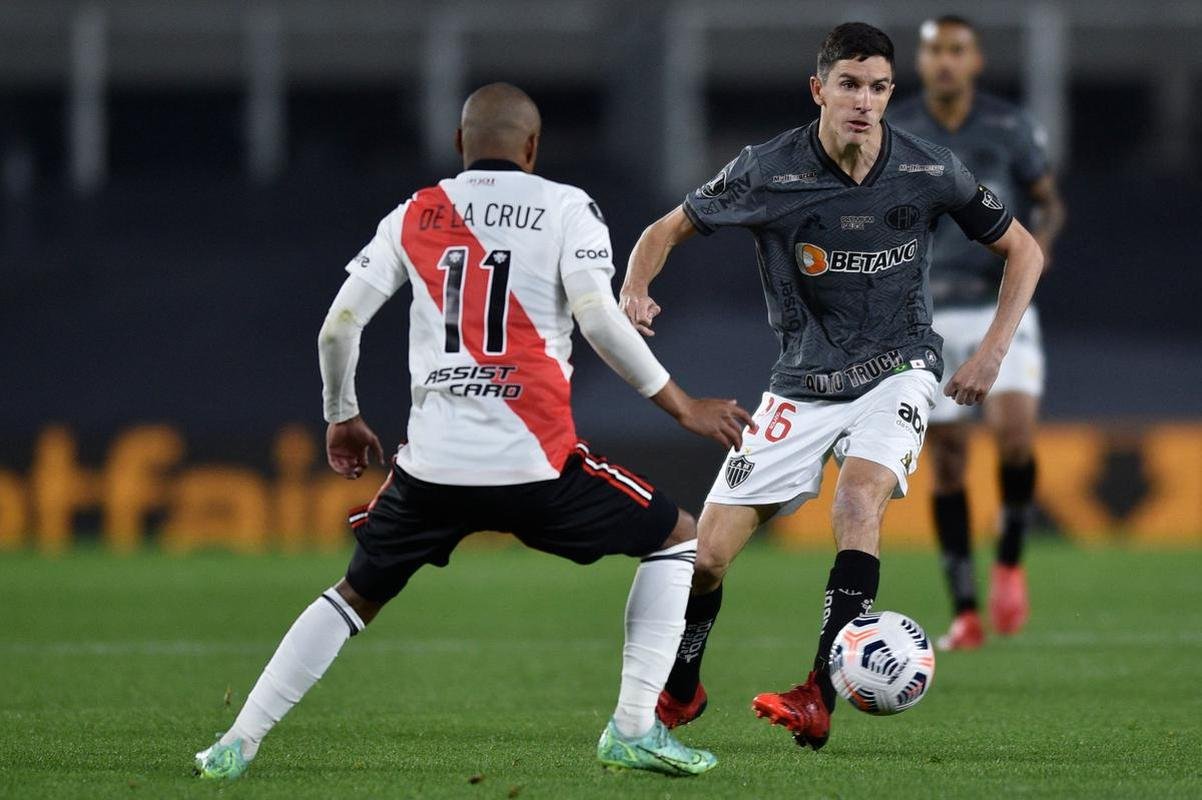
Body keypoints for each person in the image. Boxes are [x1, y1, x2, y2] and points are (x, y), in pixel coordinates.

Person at [193, 82, 752, 780]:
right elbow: (599, 317)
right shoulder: (566, 207)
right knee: (679, 542)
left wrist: (342, 413)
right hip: (537, 468)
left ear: (460, 145)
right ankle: (634, 728)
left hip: (432, 472)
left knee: (353, 595)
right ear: (533, 147)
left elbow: (338, 325)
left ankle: (237, 742)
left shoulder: (417, 213)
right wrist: (683, 405)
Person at [620, 23, 1043, 749]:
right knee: (709, 555)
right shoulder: (767, 170)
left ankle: (819, 692)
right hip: (801, 383)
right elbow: (665, 229)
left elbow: (1022, 249)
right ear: (819, 89)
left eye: (879, 87)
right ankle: (684, 689)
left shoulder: (926, 169)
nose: (865, 101)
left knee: (857, 498)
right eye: (849, 84)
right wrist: (635, 287)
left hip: (900, 368)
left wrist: (993, 353)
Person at [888, 15, 1066, 650]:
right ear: (921, 56)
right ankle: (964, 610)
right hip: (927, 310)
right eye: (934, 48)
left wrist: (1033, 255)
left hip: (1000, 306)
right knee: (948, 463)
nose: (944, 61)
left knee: (1015, 437)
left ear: (976, 60)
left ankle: (1011, 560)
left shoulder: (1010, 126)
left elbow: (1047, 201)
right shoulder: (897, 126)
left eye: (955, 50)